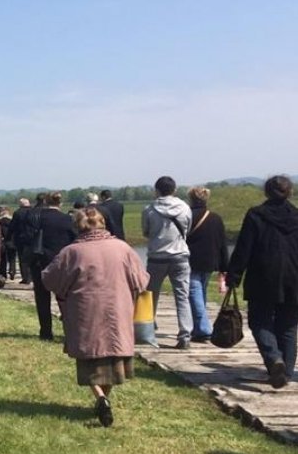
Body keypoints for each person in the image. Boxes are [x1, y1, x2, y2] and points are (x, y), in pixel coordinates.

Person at [42, 207, 150, 427]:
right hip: (117, 310)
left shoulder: (71, 252)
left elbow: (49, 279)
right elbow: (142, 281)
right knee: (113, 355)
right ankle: (104, 398)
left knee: (90, 358)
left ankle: (100, 397)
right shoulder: (123, 248)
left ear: (78, 226)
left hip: (85, 312)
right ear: (103, 223)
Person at [226, 175, 298, 389]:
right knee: (289, 326)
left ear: (266, 192)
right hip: (294, 276)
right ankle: (285, 372)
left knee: (259, 321)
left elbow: (244, 248)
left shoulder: (256, 215)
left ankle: (274, 359)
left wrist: (234, 276)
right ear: (289, 192)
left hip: (262, 276)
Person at [142, 176, 194, 349]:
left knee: (151, 295)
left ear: (156, 190)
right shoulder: (185, 208)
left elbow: (146, 231)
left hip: (157, 256)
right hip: (180, 256)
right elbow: (188, 228)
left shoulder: (149, 209)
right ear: (175, 189)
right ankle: (185, 334)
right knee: (182, 296)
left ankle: (148, 330)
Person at [30, 192, 76, 341]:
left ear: (45, 202)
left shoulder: (35, 218)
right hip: (61, 262)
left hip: (39, 260)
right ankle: (69, 331)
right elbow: (75, 240)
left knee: (42, 298)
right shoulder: (67, 219)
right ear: (60, 203)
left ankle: (45, 332)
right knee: (64, 299)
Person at [185, 186, 229, 343]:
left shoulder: (188, 216)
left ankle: (203, 328)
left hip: (192, 260)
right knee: (200, 292)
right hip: (211, 260)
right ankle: (198, 328)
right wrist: (224, 267)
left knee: (194, 292)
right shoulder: (216, 218)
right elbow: (222, 243)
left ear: (190, 198)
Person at [8, 197, 36, 284]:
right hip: (33, 238)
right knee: (32, 258)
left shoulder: (17, 213)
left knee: (22, 259)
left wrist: (9, 237)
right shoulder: (34, 211)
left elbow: (12, 226)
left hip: (21, 239)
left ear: (20, 204)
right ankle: (32, 276)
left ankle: (25, 277)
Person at [0, 206, 17, 280]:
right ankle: (12, 271)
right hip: (12, 241)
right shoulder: (13, 221)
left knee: (3, 259)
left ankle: (3, 273)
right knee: (12, 258)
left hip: (3, 242)